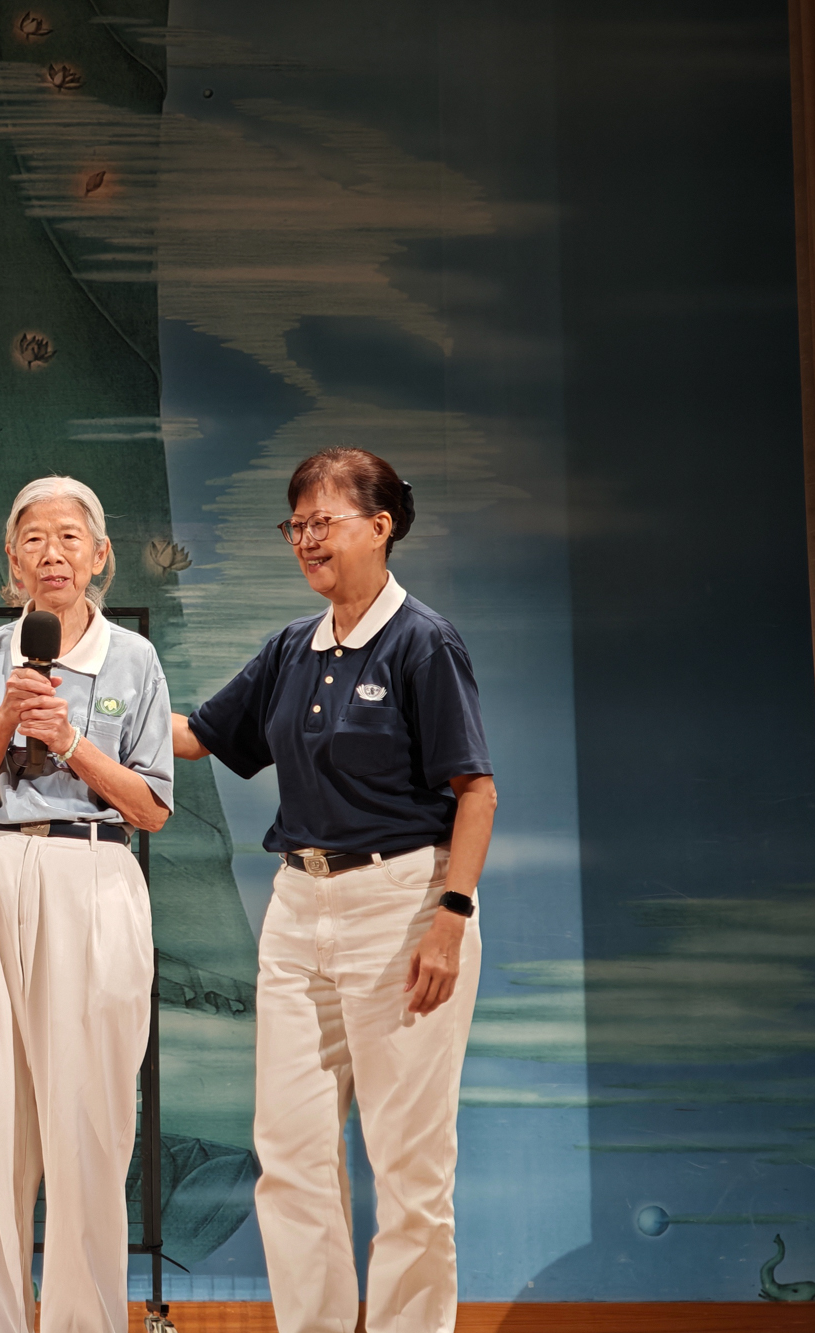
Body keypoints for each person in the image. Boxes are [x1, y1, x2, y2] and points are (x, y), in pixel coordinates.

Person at [172, 448, 496, 1333]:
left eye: (324, 521)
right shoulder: (290, 648)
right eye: (295, 525)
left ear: (381, 526)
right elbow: (198, 737)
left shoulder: (422, 641)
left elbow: (477, 791)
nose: (306, 539)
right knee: (290, 1156)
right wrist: (86, 712)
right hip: (298, 911)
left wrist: (450, 919)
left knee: (409, 1167)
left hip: (404, 906)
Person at [0, 476, 174, 1333]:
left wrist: (69, 738)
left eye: (71, 538)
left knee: (89, 1125)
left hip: (94, 877)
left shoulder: (134, 660)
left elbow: (150, 808)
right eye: (33, 538)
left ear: (100, 556)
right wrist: (7, 719)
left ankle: (87, 1321)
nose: (52, 553)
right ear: (12, 559)